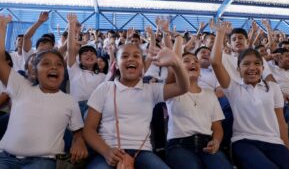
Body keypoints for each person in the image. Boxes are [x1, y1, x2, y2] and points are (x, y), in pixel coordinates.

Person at [0, 15, 87, 169]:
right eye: (46, 63)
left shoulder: (69, 100)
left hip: (42, 161)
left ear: (63, 72)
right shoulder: (21, 86)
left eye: (59, 65)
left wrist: (79, 142)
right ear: (34, 72)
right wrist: (2, 28)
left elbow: (78, 132)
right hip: (5, 158)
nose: (53, 67)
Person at [83, 43, 189, 169]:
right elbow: (89, 129)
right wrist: (106, 151)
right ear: (116, 64)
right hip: (108, 150)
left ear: (143, 65)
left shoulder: (151, 90)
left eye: (136, 56)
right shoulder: (105, 88)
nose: (131, 59)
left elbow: (182, 87)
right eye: (125, 56)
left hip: (142, 153)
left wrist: (176, 63)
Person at [210, 21, 289, 169]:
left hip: (274, 142)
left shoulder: (273, 88)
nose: (252, 68)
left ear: (263, 68)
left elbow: (281, 122)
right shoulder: (233, 88)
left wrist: (288, 152)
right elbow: (215, 62)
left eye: (257, 64)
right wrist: (220, 34)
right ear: (238, 69)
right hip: (244, 142)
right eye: (246, 64)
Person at [165, 36, 232, 169]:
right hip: (179, 146)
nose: (193, 63)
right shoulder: (173, 90)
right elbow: (173, 65)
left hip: (206, 144)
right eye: (186, 61)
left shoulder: (209, 93)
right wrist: (178, 39)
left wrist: (216, 141)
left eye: (196, 61)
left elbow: (217, 127)